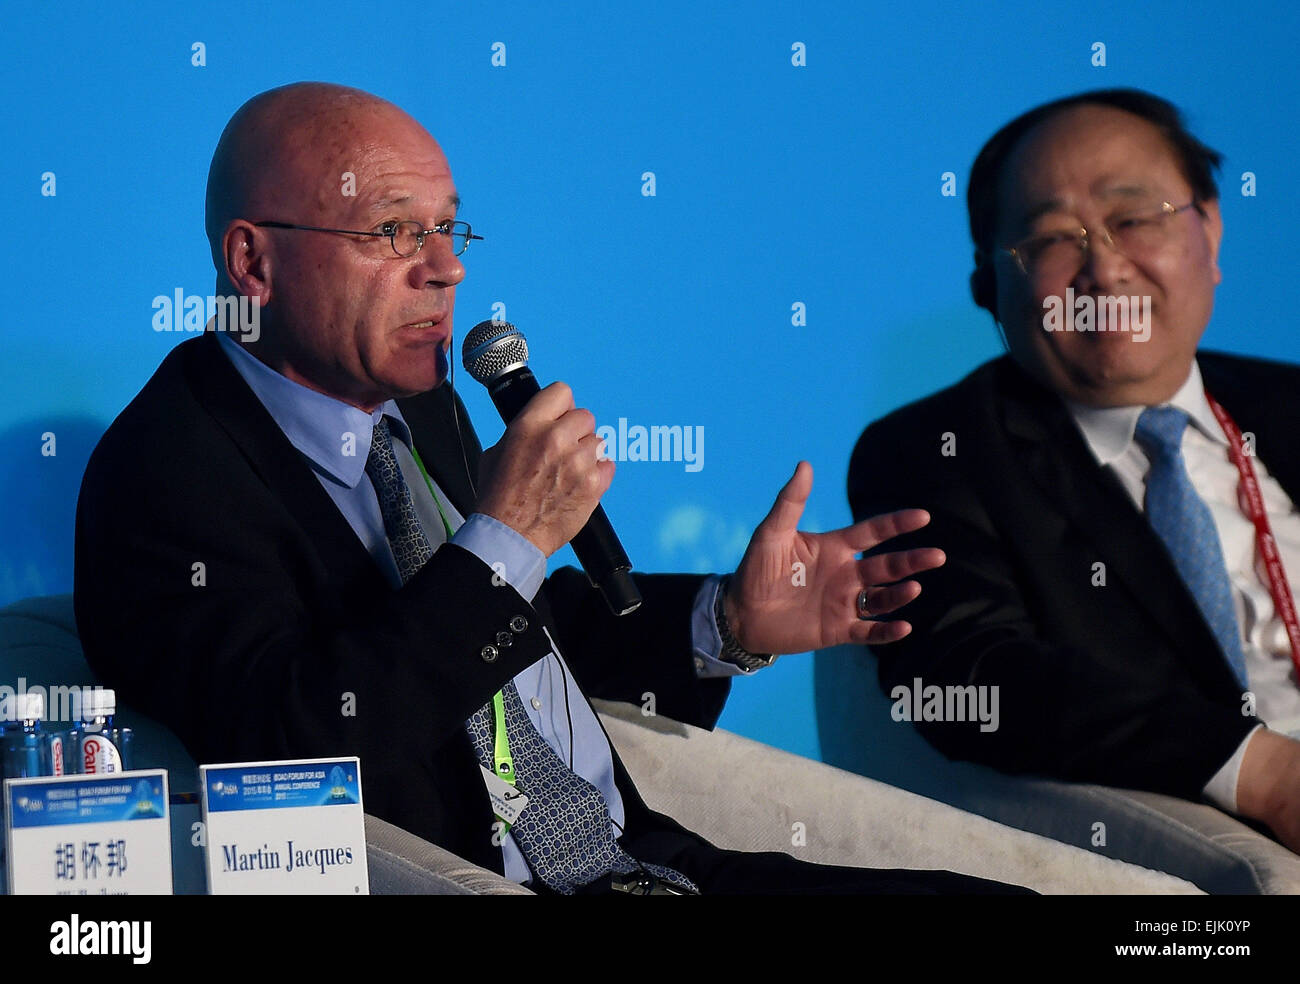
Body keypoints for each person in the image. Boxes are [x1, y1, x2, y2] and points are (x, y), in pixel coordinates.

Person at [75, 81, 1017, 894]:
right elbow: (290, 748)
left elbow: (509, 635)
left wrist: (726, 620)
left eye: (450, 227)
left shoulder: (425, 410)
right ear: (253, 263)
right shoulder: (163, 473)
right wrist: (506, 537)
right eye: (394, 231)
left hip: (648, 865)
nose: (447, 268)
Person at [848, 87, 1300, 855]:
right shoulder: (936, 451)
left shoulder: (1288, 402)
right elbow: (971, 676)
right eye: (1053, 237)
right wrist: (1264, 771)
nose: (1104, 268)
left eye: (1134, 218)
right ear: (990, 286)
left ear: (1211, 229)